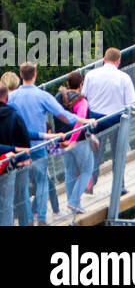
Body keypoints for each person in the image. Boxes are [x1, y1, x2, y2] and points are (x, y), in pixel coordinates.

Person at [9, 63, 94, 225]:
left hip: (20, 148)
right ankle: (41, 217)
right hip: (39, 145)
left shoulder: (12, 98)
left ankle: (27, 220)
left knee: (24, 187)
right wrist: (85, 121)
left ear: (21, 75)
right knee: (42, 182)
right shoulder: (42, 96)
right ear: (35, 75)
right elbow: (64, 116)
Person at [81, 47, 135, 195]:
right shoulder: (124, 77)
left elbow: (83, 97)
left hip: (95, 119)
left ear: (104, 60)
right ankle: (119, 186)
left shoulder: (91, 75)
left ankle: (90, 184)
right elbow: (131, 103)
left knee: (95, 153)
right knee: (118, 154)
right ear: (118, 61)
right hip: (116, 119)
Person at [54, 72, 93, 217]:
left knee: (69, 170)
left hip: (61, 140)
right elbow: (79, 123)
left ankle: (72, 202)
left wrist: (62, 139)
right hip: (78, 141)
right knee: (87, 169)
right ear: (81, 85)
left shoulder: (58, 98)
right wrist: (73, 140)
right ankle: (75, 201)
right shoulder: (81, 101)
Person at [0, 83, 32, 226]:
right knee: (7, 203)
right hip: (8, 165)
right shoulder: (14, 114)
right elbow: (25, 138)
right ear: (7, 97)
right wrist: (22, 155)